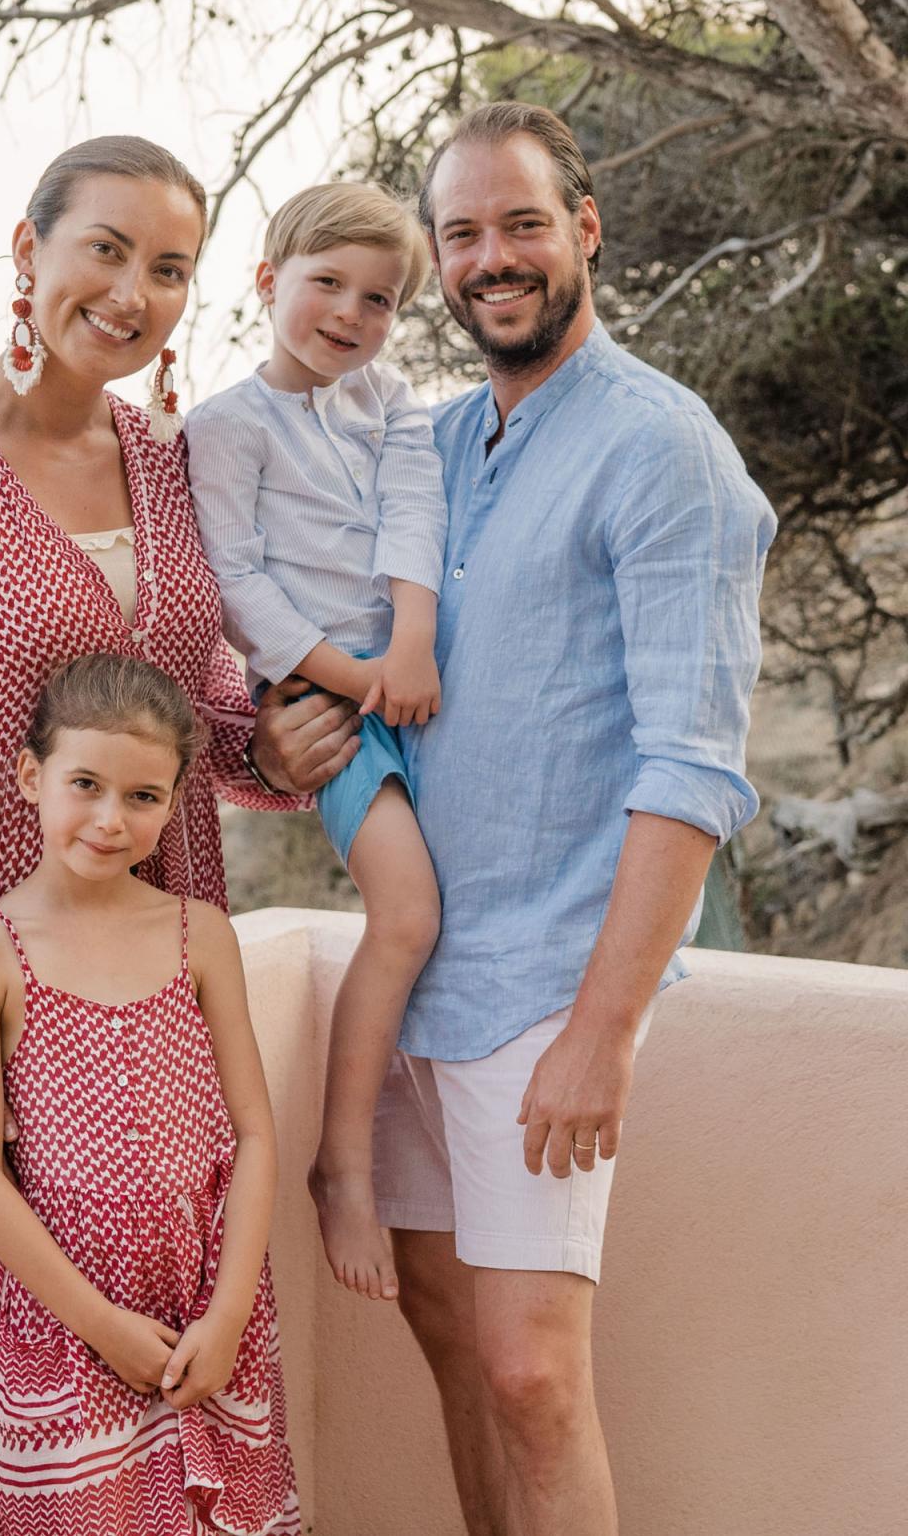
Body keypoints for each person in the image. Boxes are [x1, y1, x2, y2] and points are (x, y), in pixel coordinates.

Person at [0, 136, 353, 1535]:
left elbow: (192, 711)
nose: (133, 291)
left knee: (164, 1414)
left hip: (155, 999)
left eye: (170, 268)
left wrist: (266, 750)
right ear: (27, 250)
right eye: (104, 247)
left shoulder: (169, 469)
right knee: (23, 1416)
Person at [273, 103, 777, 1536]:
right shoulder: (434, 441)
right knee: (445, 1329)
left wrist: (602, 1033)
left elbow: (692, 768)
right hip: (415, 977)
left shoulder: (662, 450)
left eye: (522, 223)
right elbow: (355, 651)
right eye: (463, 234)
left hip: (543, 989)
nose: (493, 258)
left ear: (586, 229)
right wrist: (284, 724)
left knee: (531, 1370)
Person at [0, 653, 298, 1536]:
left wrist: (231, 1310)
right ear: (32, 776)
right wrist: (101, 1325)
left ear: (175, 802)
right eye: (85, 784)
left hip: (213, 1317)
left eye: (143, 796)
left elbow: (253, 1132)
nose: (109, 819)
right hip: (69, 1327)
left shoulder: (198, 934)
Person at [186, 183, 448, 1302]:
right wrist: (361, 678)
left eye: (377, 298)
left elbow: (414, 514)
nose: (348, 313)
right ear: (266, 282)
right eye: (325, 283)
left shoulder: (387, 397)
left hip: (424, 674)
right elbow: (236, 585)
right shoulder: (222, 427)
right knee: (405, 913)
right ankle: (343, 1161)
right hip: (333, 708)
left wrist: (417, 647)